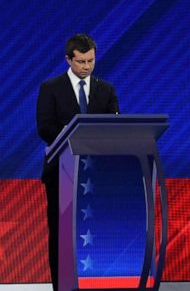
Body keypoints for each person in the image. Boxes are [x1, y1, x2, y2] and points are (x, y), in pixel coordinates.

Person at [36, 33, 120, 291]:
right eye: (81, 61)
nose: (87, 66)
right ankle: (61, 286)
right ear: (68, 59)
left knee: (98, 234)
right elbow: (45, 127)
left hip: (98, 174)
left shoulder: (106, 89)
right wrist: (75, 138)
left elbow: (115, 126)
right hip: (62, 172)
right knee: (61, 234)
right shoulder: (50, 88)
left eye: (91, 60)